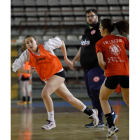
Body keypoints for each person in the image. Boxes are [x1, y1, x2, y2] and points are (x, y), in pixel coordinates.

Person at [12, 35, 99, 130]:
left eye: (31, 41)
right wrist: (27, 71)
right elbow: (15, 67)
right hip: (48, 79)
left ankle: (51, 121)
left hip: (58, 73)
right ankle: (91, 113)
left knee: (45, 93)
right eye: (27, 43)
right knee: (70, 99)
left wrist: (65, 58)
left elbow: (61, 42)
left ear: (36, 41)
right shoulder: (26, 54)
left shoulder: (46, 46)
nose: (29, 44)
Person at [69, 9, 117, 128]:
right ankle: (99, 119)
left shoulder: (99, 31)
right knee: (92, 93)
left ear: (97, 17)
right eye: (88, 16)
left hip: (96, 67)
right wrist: (74, 60)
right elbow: (83, 48)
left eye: (92, 16)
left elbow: (108, 43)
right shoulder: (86, 31)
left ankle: (110, 113)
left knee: (96, 90)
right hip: (86, 68)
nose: (90, 18)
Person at [95, 18, 129, 138]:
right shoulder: (122, 39)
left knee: (103, 98)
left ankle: (111, 126)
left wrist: (106, 70)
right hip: (126, 73)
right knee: (127, 99)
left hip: (113, 73)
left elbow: (100, 61)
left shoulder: (99, 43)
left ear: (104, 29)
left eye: (100, 27)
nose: (99, 29)